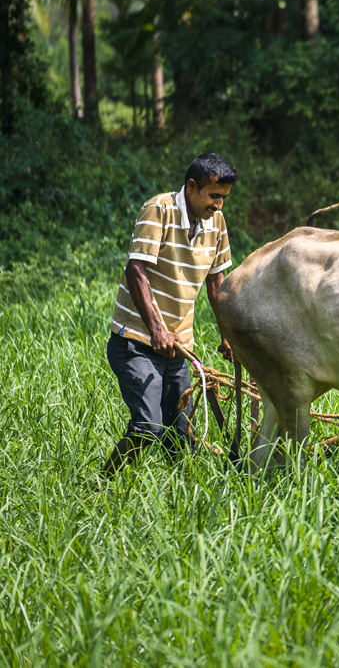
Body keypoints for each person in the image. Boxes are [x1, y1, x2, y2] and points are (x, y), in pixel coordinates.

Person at [103, 153, 237, 477]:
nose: (219, 205)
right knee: (148, 426)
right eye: (213, 196)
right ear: (191, 187)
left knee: (182, 439)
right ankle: (102, 486)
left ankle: (180, 505)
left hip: (179, 348)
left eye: (223, 198)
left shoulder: (216, 224)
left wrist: (227, 335)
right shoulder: (158, 210)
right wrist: (156, 330)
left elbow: (217, 282)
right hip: (135, 341)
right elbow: (136, 270)